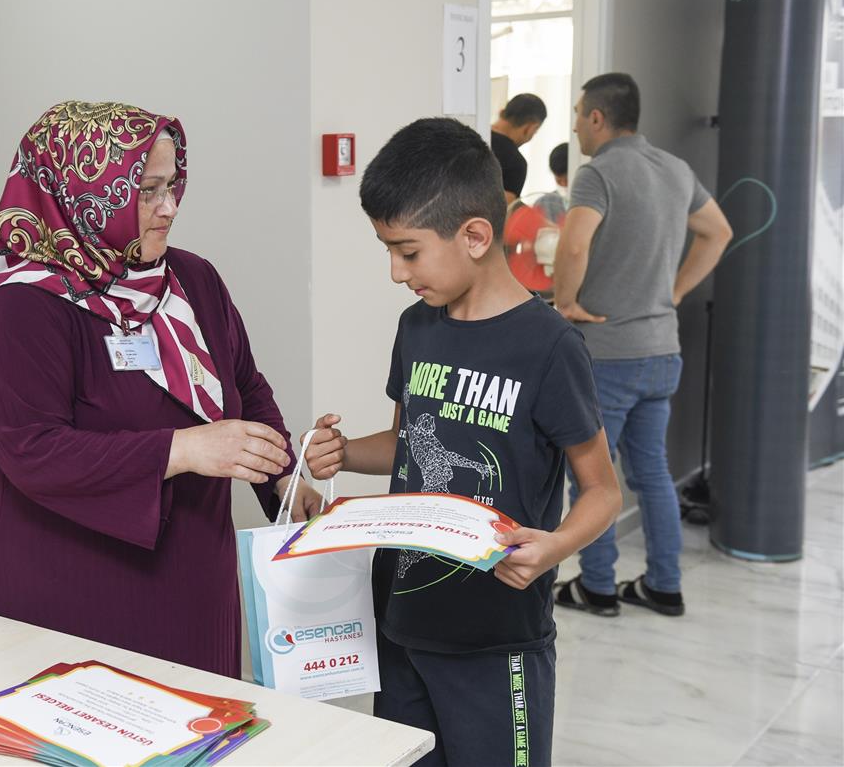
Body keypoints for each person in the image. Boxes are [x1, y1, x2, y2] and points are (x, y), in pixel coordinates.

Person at [0, 101, 322, 677]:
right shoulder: (16, 311)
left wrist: (281, 472)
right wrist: (184, 449)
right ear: (85, 193)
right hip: (71, 587)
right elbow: (31, 451)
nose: (169, 207)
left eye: (172, 185)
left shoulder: (193, 279)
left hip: (193, 576)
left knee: (204, 732)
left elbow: (244, 384)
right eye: (146, 190)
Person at [301, 118, 622, 766]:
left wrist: (555, 545)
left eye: (408, 250)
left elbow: (602, 489)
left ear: (476, 235)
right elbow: (408, 443)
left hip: (496, 640)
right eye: (386, 249)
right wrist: (341, 451)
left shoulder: (550, 347)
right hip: (402, 623)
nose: (395, 270)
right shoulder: (417, 327)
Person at [551, 73, 733, 617]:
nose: (578, 123)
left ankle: (599, 587)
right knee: (651, 471)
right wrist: (672, 292)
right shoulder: (675, 170)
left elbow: (575, 241)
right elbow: (718, 231)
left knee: (592, 477)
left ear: (598, 118)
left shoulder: (598, 172)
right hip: (662, 351)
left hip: (608, 354)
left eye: (580, 113)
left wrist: (564, 301)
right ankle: (664, 585)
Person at [491, 93, 548, 203]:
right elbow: (500, 211)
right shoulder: (515, 163)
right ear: (530, 128)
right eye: (535, 132)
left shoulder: (472, 135)